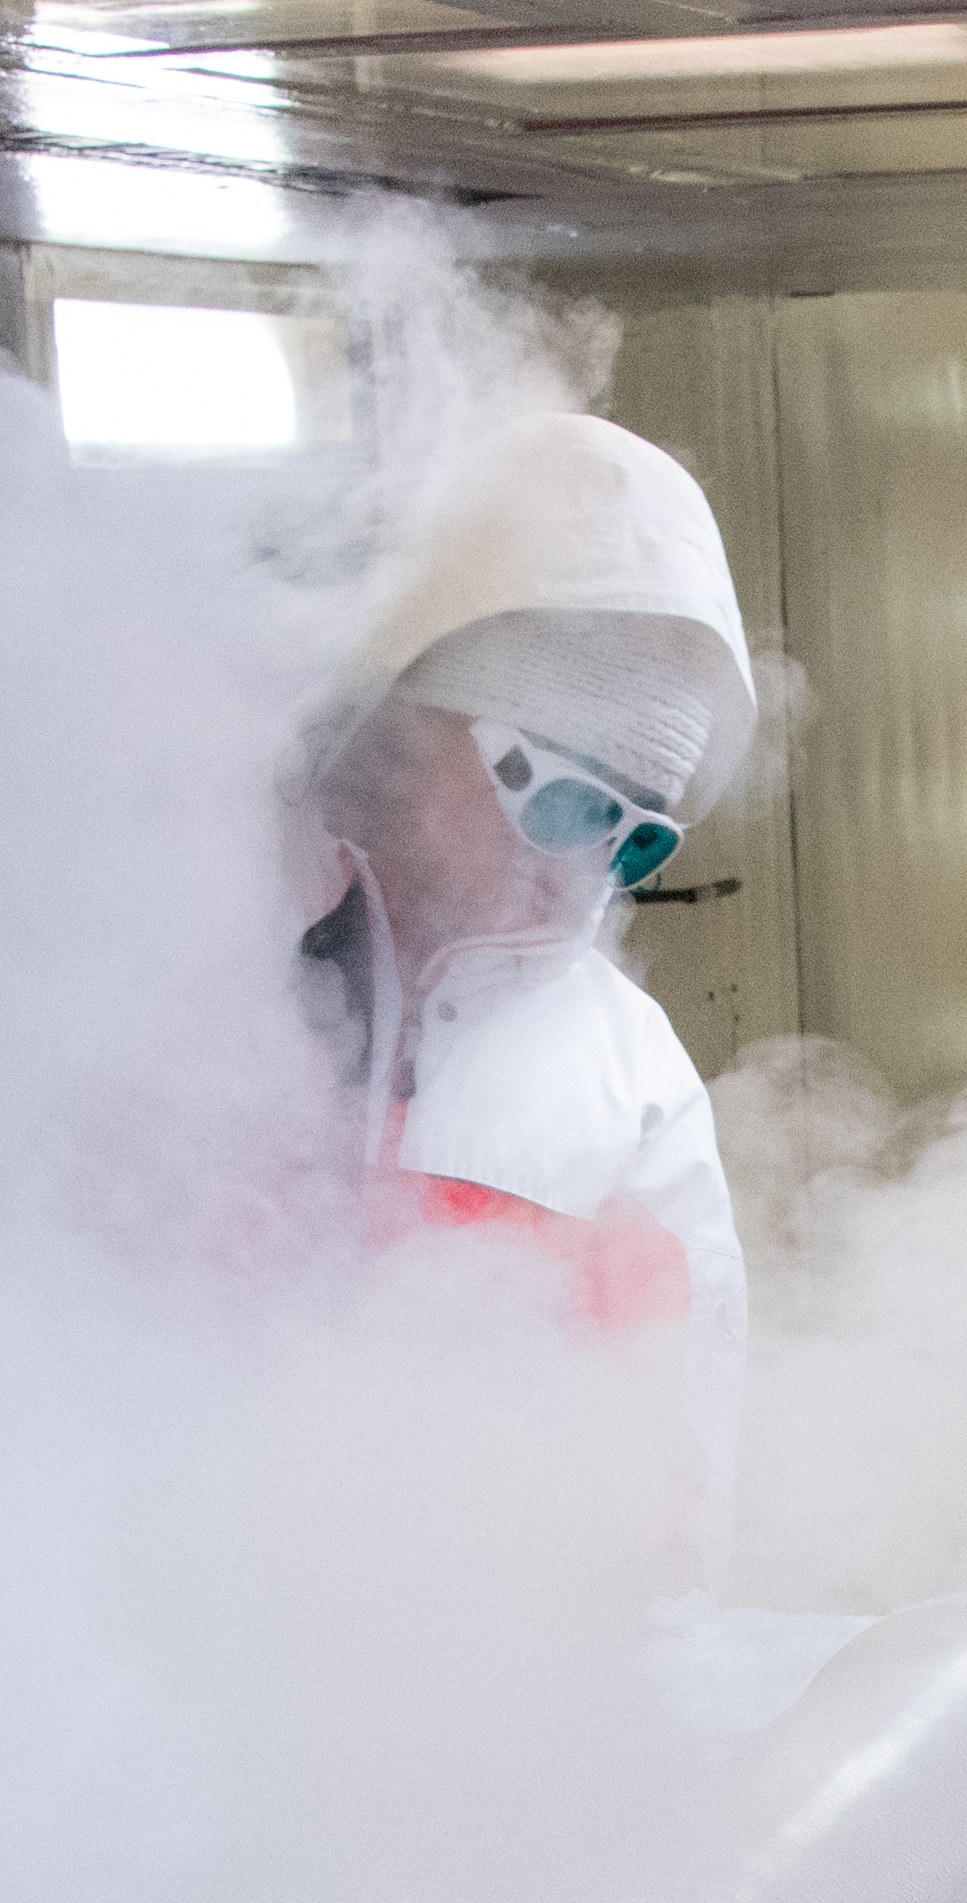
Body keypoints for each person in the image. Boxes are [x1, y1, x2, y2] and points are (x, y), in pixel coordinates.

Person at [299, 414, 755, 1571]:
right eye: (561, 801)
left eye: (639, 838)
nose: (585, 876)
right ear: (414, 732)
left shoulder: (626, 1081)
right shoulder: (184, 968)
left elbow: (672, 1508)